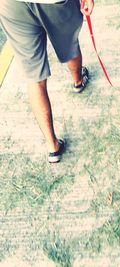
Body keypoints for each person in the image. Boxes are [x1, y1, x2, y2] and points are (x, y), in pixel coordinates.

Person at [0, 0, 94, 163]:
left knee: (34, 77)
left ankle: (53, 147)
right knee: (69, 45)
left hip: (11, 5)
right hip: (54, 2)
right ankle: (78, 81)